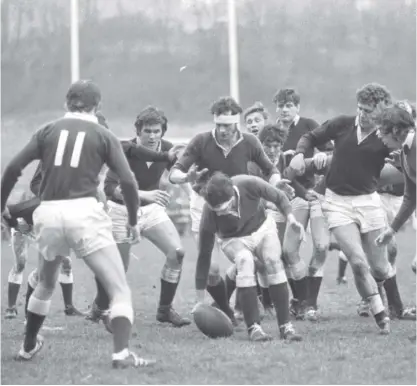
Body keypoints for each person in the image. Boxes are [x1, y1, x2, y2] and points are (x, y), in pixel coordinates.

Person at [0, 79, 154, 368]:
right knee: (119, 288)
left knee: (45, 284)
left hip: (47, 212)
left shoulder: (47, 130)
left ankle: (28, 346)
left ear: (66, 104)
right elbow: (128, 181)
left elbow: (11, 168)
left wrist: (1, 207)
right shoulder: (102, 133)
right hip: (84, 211)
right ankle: (121, 354)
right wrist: (133, 220)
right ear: (98, 106)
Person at [289, 82, 408, 334]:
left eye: (369, 110)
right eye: (360, 108)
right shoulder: (343, 123)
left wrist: (401, 163)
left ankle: (392, 303)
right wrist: (301, 153)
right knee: (357, 262)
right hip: (337, 202)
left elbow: (402, 160)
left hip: (369, 201)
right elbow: (311, 136)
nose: (363, 114)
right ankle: (380, 314)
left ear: (382, 111)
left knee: (380, 267)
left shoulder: (386, 136)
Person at [168, 96, 293, 321]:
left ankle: (248, 305)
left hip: (236, 204)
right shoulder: (201, 141)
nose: (222, 130)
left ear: (236, 123)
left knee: (252, 260)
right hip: (204, 207)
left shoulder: (250, 142)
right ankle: (226, 310)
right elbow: (173, 172)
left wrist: (276, 184)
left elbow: (270, 169)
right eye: (218, 125)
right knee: (213, 269)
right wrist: (186, 176)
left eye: (227, 125)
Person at [94, 106, 190, 328]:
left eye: (156, 131)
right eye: (147, 131)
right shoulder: (125, 150)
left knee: (177, 253)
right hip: (121, 211)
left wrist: (192, 194)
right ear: (138, 131)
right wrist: (145, 194)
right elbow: (110, 188)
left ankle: (165, 310)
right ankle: (101, 306)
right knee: (117, 267)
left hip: (152, 210)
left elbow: (176, 177)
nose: (152, 135)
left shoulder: (167, 150)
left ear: (163, 132)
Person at [193, 172, 304, 342]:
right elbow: (204, 256)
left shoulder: (249, 183)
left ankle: (286, 326)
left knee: (273, 261)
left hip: (262, 228)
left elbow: (279, 197)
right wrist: (199, 301)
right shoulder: (209, 213)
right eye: (218, 211)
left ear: (233, 194)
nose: (223, 213)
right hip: (232, 238)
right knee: (244, 259)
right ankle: (254, 327)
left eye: (226, 207)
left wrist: (291, 219)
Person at [273, 88, 334, 321]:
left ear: (297, 107)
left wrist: (322, 158)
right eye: (280, 105)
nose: (284, 109)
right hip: (293, 196)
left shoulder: (309, 125)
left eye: (289, 105)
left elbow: (331, 153)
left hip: (315, 195)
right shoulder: (274, 132)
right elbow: (277, 170)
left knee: (321, 247)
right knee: (288, 251)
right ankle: (301, 300)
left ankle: (309, 303)